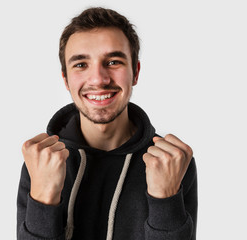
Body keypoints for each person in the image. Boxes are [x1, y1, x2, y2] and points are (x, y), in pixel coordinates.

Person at [17, 7, 197, 240]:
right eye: (81, 65)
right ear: (66, 79)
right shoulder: (41, 160)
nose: (98, 79)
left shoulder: (172, 161)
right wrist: (44, 199)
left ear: (135, 72)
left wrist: (164, 201)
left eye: (113, 61)